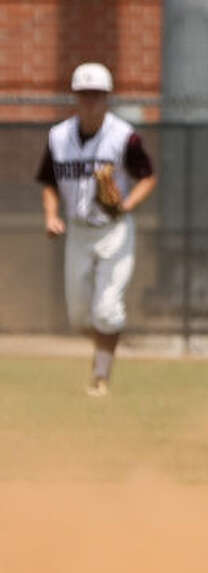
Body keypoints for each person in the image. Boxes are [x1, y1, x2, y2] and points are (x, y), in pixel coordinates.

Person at [36, 62, 157, 397]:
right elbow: (48, 182)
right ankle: (110, 338)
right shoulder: (59, 137)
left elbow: (147, 177)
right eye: (85, 94)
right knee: (79, 317)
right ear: (76, 97)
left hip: (114, 230)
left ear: (107, 98)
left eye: (97, 95)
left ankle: (100, 374)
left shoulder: (124, 136)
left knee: (106, 309)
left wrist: (126, 204)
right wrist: (51, 215)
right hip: (78, 230)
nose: (90, 101)